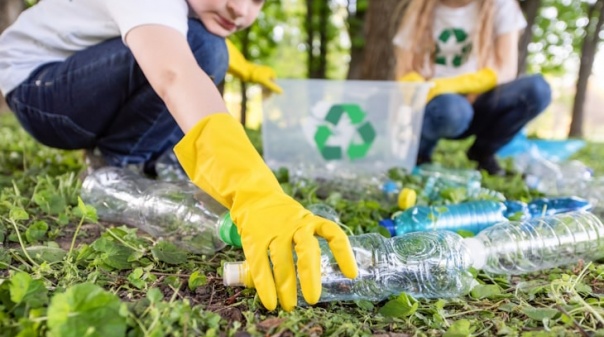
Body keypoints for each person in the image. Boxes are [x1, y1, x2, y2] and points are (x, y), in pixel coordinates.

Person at [0, 0, 358, 311]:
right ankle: (123, 162)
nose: (242, 10)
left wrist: (239, 63)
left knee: (206, 45)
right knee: (203, 47)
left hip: (73, 81)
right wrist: (254, 192)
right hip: (39, 92)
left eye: (258, 0)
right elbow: (173, 72)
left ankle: (147, 155)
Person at [393, 0, 552, 176]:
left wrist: (450, 85)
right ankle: (420, 153)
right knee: (452, 110)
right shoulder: (421, 7)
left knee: (537, 90)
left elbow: (506, 69)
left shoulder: (500, 5)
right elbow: (405, 70)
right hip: (439, 107)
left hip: (483, 101)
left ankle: (482, 152)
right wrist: (420, 89)